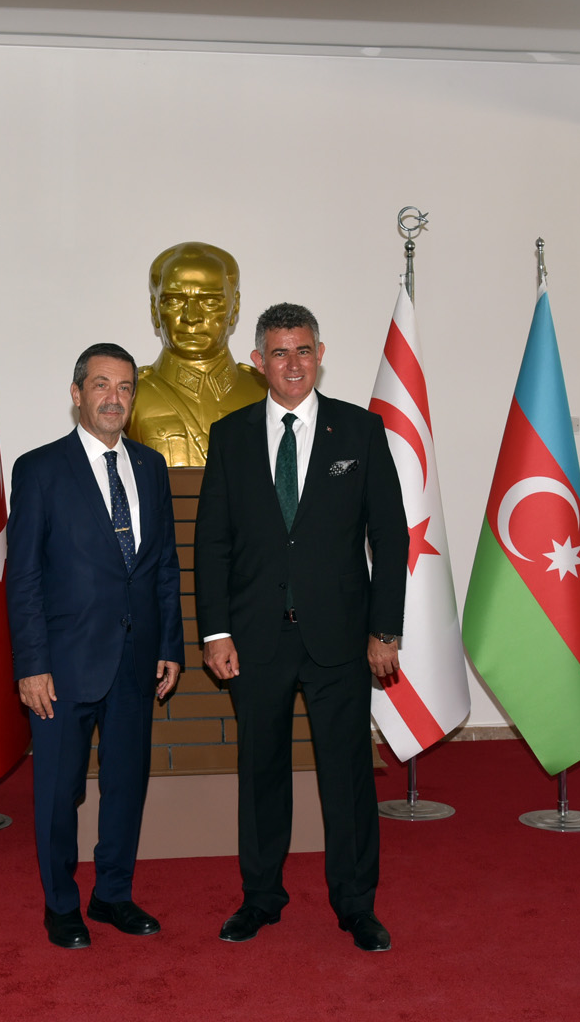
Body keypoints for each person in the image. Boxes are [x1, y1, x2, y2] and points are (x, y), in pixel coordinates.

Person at [194, 302, 408, 952]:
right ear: (258, 361)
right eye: (280, 352)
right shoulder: (230, 436)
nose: (293, 364)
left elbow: (390, 537)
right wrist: (215, 632)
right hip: (254, 639)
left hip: (339, 639)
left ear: (320, 354)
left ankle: (356, 905)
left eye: (304, 350)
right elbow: (212, 543)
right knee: (260, 772)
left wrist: (385, 630)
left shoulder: (360, 431)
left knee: (346, 775)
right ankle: (261, 898)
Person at [6, 343, 184, 949]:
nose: (114, 397)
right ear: (77, 392)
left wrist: (169, 643)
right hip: (62, 666)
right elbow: (23, 577)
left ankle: (113, 895)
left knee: (126, 786)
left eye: (125, 387)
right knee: (59, 793)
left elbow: (163, 566)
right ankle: (60, 904)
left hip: (136, 662)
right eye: (102, 385)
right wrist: (32, 664)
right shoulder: (39, 469)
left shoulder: (151, 467)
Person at [128, 242, 268, 466]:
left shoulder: (264, 392)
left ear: (234, 308)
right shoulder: (131, 395)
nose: (191, 317)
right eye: (174, 301)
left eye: (210, 302)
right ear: (155, 310)